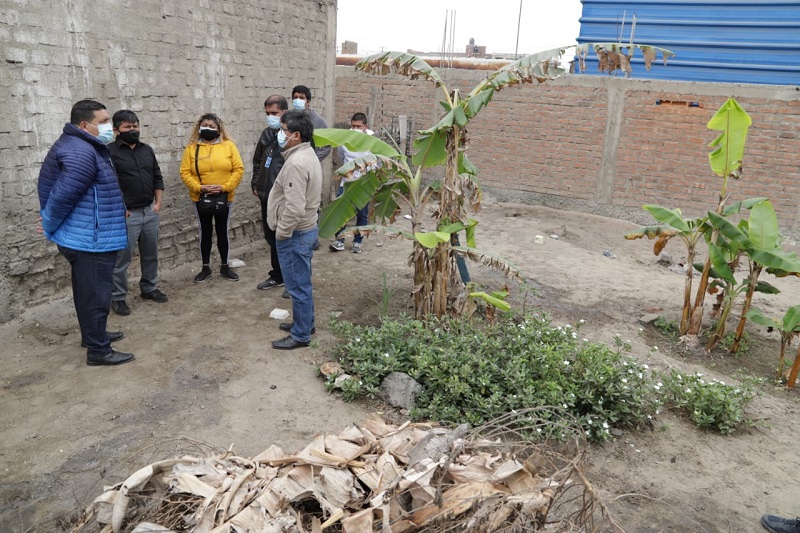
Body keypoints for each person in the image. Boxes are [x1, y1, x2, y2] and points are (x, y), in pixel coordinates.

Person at [37, 99, 134, 366]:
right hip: (90, 239)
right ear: (84, 125)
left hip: (84, 234)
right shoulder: (81, 151)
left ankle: (93, 335)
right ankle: (99, 351)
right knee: (96, 295)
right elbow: (64, 194)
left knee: (85, 291)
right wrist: (48, 223)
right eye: (103, 122)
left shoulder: (82, 145)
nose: (109, 127)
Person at [267, 110, 322, 350]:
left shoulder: (297, 163)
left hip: (295, 233)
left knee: (297, 286)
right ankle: (305, 323)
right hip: (305, 230)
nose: (279, 135)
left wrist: (281, 233)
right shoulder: (307, 153)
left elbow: (295, 207)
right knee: (302, 282)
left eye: (283, 131)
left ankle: (301, 335)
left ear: (296, 135)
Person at [108, 110, 168, 316]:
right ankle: (118, 297)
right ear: (116, 130)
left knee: (150, 254)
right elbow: (110, 184)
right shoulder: (109, 153)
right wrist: (120, 209)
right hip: (127, 215)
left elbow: (157, 176)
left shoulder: (147, 150)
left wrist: (158, 203)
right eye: (127, 127)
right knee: (121, 260)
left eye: (135, 126)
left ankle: (149, 288)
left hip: (149, 211)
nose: (133, 130)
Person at [179, 113, 244, 282]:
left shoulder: (229, 146)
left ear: (219, 129)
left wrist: (225, 187)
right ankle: (205, 268)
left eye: (212, 126)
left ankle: (225, 266)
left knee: (222, 231)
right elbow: (185, 172)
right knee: (205, 231)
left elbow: (238, 169)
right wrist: (199, 187)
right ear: (199, 127)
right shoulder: (192, 148)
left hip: (224, 197)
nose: (207, 128)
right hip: (201, 197)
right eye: (204, 125)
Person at [252, 95, 288, 291]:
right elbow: (258, 161)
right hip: (266, 196)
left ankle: (292, 280)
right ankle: (277, 275)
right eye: (267, 114)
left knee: (286, 237)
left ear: (284, 112)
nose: (270, 117)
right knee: (271, 236)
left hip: (284, 197)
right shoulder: (266, 134)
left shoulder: (293, 136)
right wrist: (255, 183)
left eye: (274, 113)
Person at [291, 85, 330, 251]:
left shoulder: (318, 121)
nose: (298, 100)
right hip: (293, 168)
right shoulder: (289, 119)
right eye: (295, 97)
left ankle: (312, 237)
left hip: (310, 170)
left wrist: (312, 160)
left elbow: (326, 146)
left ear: (308, 101)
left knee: (311, 203)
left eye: (302, 97)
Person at [330, 112, 374, 254]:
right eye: (353, 126)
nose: (355, 128)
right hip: (346, 182)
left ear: (365, 126)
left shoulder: (371, 140)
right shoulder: (345, 140)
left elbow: (376, 161)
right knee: (340, 213)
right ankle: (339, 240)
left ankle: (357, 242)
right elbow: (342, 157)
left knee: (362, 214)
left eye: (358, 126)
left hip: (363, 184)